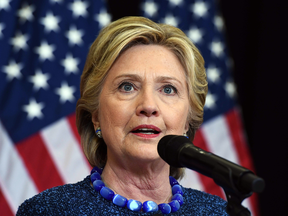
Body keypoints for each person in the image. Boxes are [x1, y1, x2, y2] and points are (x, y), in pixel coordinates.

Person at [17, 16, 228, 215]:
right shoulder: (49, 211)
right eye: (127, 87)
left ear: (188, 120)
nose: (148, 106)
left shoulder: (220, 213)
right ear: (96, 114)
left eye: (168, 89)